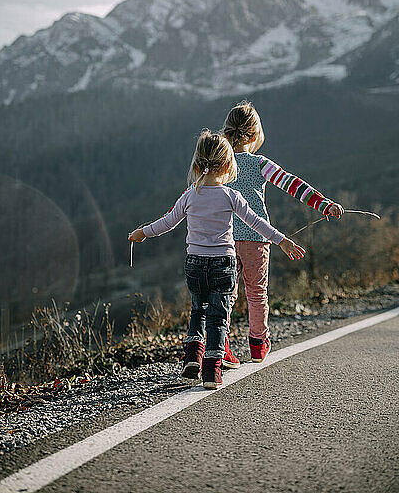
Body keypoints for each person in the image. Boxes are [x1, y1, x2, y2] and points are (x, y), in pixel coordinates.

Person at [128, 130, 305, 389]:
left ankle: (192, 359)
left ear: (198, 164)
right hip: (222, 265)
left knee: (198, 310)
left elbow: (167, 223)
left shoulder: (190, 195)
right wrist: (283, 241)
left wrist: (142, 233)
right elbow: (257, 224)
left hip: (195, 264)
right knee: (218, 317)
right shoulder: (231, 196)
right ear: (227, 165)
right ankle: (212, 372)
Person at [222, 101, 344, 367]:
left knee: (227, 295)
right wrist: (324, 204)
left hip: (225, 240)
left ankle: (222, 347)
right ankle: (258, 343)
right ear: (254, 135)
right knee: (256, 293)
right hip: (257, 238)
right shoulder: (260, 164)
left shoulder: (222, 165)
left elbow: (196, 193)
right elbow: (293, 185)